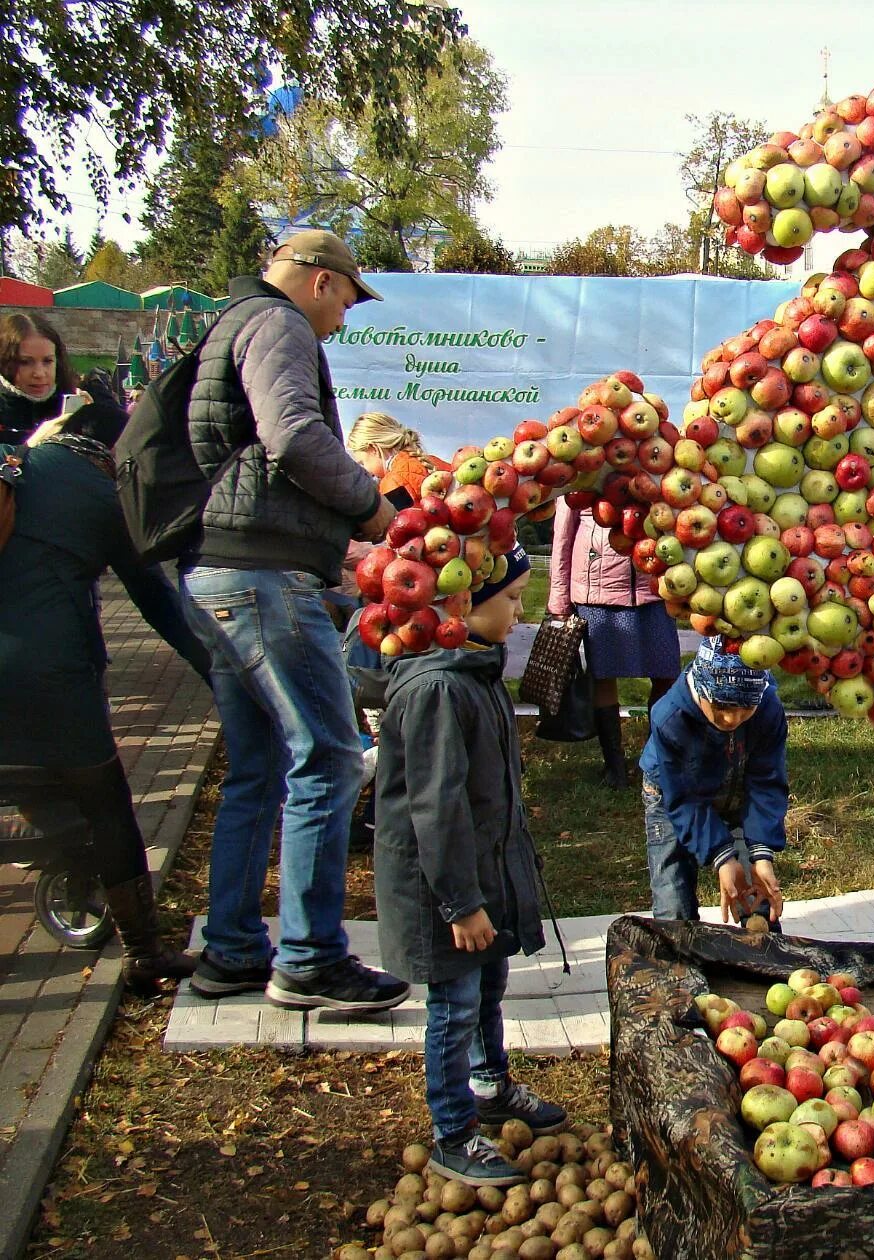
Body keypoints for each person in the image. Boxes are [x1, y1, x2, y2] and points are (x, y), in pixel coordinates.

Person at [176, 229, 407, 1013]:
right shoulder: (278, 324)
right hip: (259, 581)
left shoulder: (231, 320)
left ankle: (232, 949)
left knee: (259, 765)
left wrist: (325, 547)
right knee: (332, 754)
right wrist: (371, 509)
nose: (344, 318)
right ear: (318, 281)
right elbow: (295, 437)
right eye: (346, 298)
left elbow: (248, 462)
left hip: (225, 570)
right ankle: (308, 958)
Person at [369, 545, 568, 1187]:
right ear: (460, 602)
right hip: (444, 890)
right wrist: (462, 902)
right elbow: (436, 807)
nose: (520, 612)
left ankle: (489, 1083)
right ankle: (452, 1131)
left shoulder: (474, 673)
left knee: (486, 987)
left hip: (479, 874)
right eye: (510, 600)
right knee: (453, 1004)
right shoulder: (438, 688)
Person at [0, 429, 211, 989]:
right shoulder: (102, 495)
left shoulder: (17, 465)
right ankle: (144, 955)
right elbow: (157, 602)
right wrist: (219, 672)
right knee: (107, 805)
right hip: (54, 673)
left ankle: (49, 849)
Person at [638, 638, 789, 925]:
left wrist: (762, 854)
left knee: (756, 899)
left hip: (739, 786)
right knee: (674, 906)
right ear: (702, 691)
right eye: (722, 706)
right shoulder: (671, 717)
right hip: (672, 797)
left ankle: (760, 963)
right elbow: (684, 799)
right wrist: (721, 856)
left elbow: (767, 783)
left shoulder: (768, 709)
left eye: (746, 709)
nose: (733, 718)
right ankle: (681, 962)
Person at [545, 495, 679, 786]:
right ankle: (614, 766)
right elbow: (563, 535)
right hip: (597, 591)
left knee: (667, 674)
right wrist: (558, 598)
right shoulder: (583, 465)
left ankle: (653, 759)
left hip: (653, 586)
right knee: (603, 676)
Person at [0, 313, 129, 448]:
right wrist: (31, 445)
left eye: (47, 361)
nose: (39, 373)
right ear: (5, 362)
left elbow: (131, 448)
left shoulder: (88, 392)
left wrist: (95, 418)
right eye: (25, 362)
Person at [346, 411, 449, 505]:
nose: (367, 471)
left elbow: (401, 523)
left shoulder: (392, 483)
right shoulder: (433, 460)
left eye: (363, 463)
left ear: (374, 449)